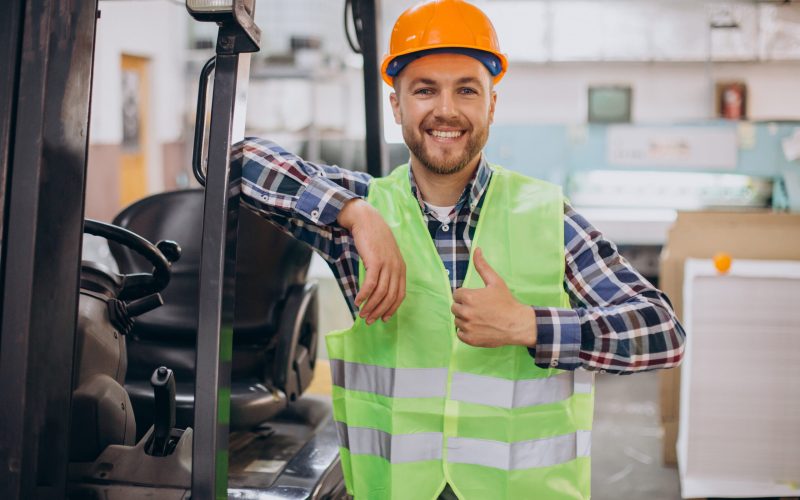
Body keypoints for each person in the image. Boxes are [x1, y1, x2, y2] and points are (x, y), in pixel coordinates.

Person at [234, 1, 685, 498]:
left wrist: (530, 325)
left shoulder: (546, 215)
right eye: (424, 89)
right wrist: (352, 212)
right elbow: (234, 160)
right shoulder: (363, 214)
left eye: (466, 90)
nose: (445, 109)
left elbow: (662, 332)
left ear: (491, 104)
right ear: (397, 106)